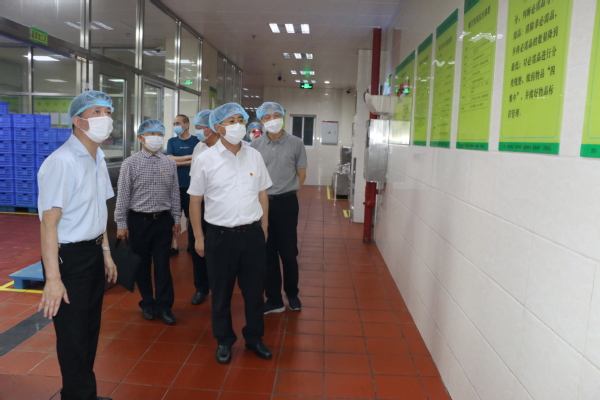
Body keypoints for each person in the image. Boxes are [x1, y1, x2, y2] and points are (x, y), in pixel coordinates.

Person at [37, 90, 117, 400]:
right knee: (73, 336)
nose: (105, 117)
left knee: (89, 330)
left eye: (108, 111)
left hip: (92, 252)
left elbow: (99, 211)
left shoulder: (98, 158)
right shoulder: (63, 162)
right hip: (69, 258)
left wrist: (106, 253)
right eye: (97, 112)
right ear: (77, 121)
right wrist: (53, 279)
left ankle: (83, 394)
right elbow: (49, 224)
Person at [188, 102, 273, 364]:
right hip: (220, 237)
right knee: (221, 293)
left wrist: (264, 226)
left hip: (252, 234)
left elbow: (262, 192)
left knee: (254, 291)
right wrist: (199, 237)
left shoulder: (254, 155)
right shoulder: (205, 159)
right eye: (231, 121)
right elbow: (195, 201)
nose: (238, 125)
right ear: (217, 126)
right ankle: (224, 340)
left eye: (240, 120)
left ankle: (254, 338)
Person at [115, 119, 181, 325]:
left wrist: (177, 218)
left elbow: (174, 193)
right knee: (141, 266)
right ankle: (148, 304)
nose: (156, 138)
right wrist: (121, 223)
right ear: (141, 138)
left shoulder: (169, 163)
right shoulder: (130, 163)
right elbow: (123, 196)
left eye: (159, 134)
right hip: (138, 221)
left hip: (163, 221)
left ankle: (164, 306)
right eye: (151, 134)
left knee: (163, 266)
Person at [252, 101, 307, 314]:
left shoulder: (296, 143)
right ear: (261, 121)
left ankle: (292, 294)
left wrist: (289, 193)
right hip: (262, 203)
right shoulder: (255, 145)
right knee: (267, 253)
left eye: (276, 115)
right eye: (267, 117)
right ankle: (274, 298)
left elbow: (301, 174)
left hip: (286, 203)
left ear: (282, 117)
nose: (272, 120)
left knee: (288, 252)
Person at [187, 110, 219, 305]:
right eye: (196, 127)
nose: (197, 131)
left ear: (213, 127)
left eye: (201, 128)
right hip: (199, 203)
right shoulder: (199, 147)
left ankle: (218, 287)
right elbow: (195, 181)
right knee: (197, 246)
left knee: (217, 249)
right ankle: (201, 287)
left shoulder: (227, 147)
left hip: (219, 206)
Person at [167, 114, 199, 256]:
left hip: (192, 186)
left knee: (190, 216)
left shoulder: (197, 141)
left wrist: (179, 161)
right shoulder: (172, 141)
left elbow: (200, 159)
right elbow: (170, 159)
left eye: (178, 123)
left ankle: (190, 243)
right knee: (174, 216)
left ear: (187, 125)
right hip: (175, 186)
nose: (176, 126)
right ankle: (173, 245)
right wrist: (191, 159)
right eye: (174, 124)